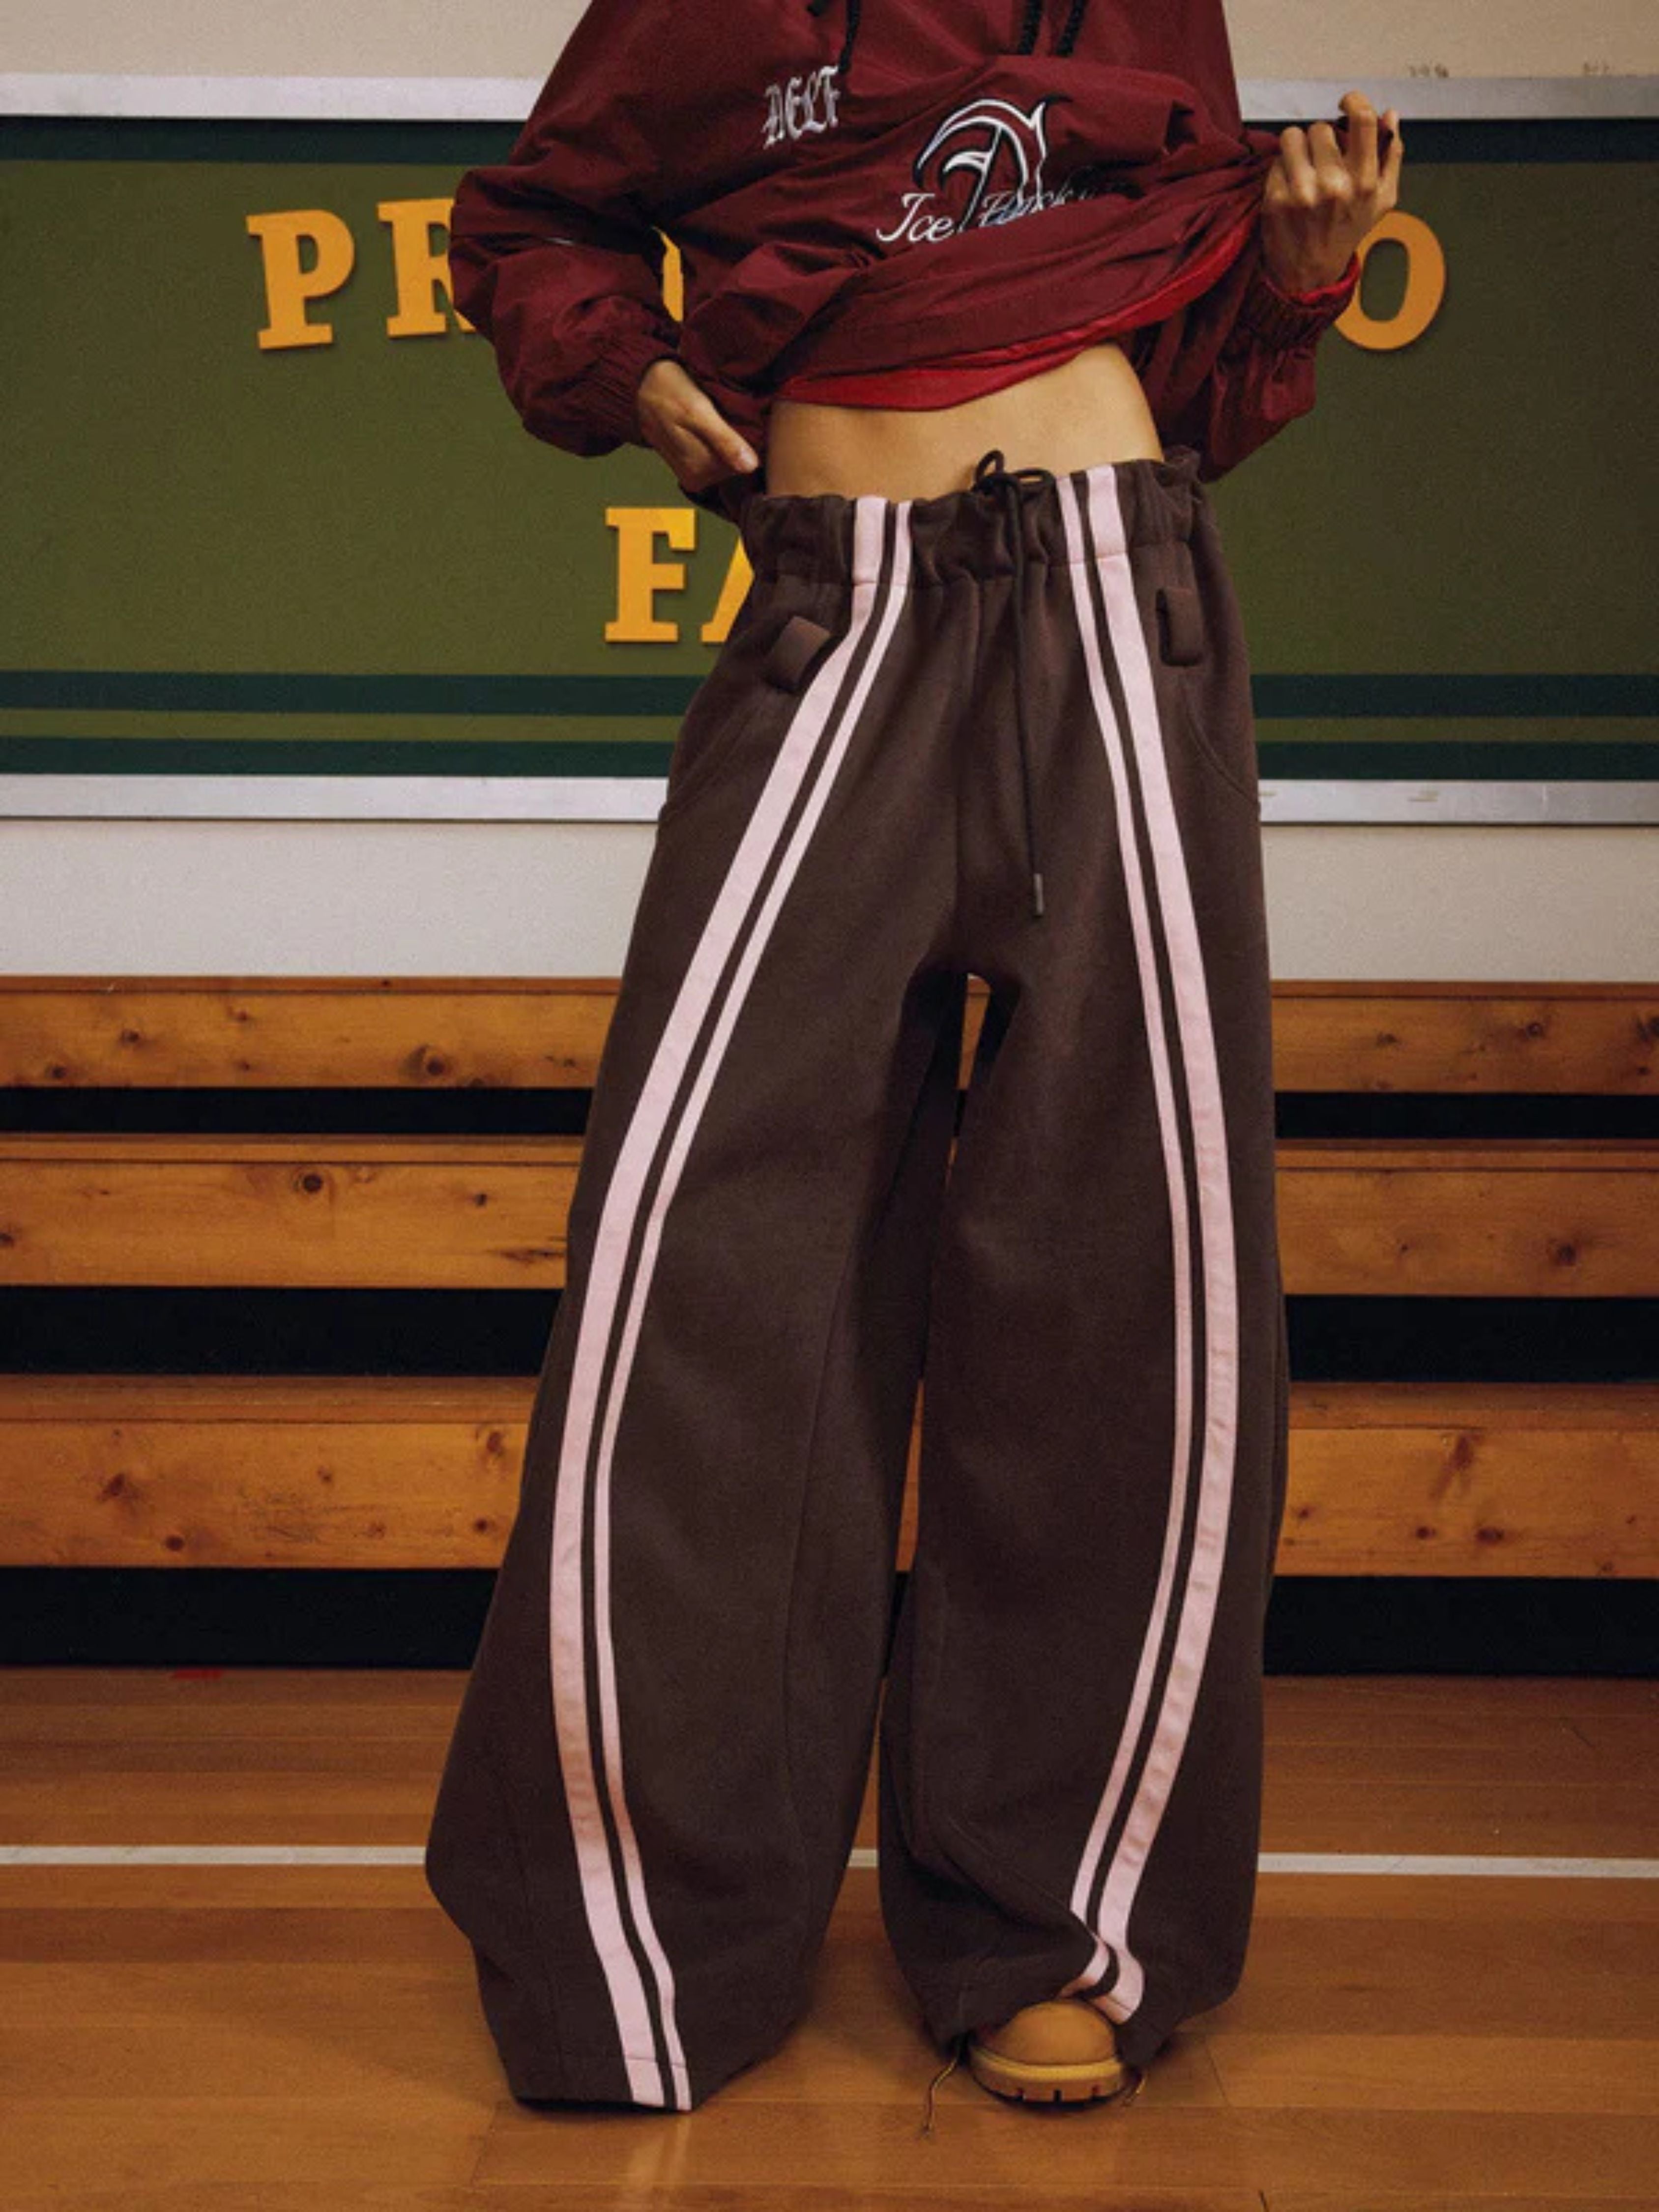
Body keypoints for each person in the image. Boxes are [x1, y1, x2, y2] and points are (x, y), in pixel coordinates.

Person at [424, 0, 1403, 2123]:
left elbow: (1205, 377)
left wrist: (1302, 281)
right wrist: (633, 373)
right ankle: (640, 1931)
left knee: (1119, 1280)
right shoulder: (698, 12)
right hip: (829, 611)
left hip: (1109, 599)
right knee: (695, 1281)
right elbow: (520, 230)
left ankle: (1061, 1926)